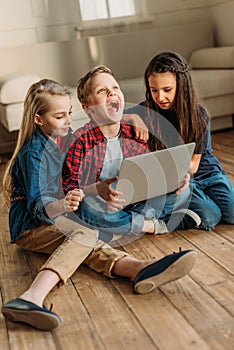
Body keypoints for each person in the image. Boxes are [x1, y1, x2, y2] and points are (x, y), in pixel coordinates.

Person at [1, 78, 197, 331]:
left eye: (69, 113)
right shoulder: (33, 153)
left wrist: (97, 189)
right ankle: (31, 297)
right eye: (60, 116)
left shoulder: (63, 139)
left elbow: (74, 183)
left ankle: (140, 269)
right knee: (85, 233)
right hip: (32, 227)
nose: (68, 121)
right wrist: (64, 204)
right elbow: (39, 207)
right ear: (39, 120)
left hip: (58, 219)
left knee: (88, 241)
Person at [62, 65, 201, 243]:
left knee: (184, 190)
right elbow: (70, 188)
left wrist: (175, 179)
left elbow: (150, 173)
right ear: (88, 108)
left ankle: (120, 226)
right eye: (102, 90)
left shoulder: (134, 133)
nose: (111, 94)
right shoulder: (80, 141)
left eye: (115, 88)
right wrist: (96, 192)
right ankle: (150, 225)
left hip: (135, 201)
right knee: (85, 210)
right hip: (104, 205)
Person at [126, 51, 234, 230]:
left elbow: (194, 166)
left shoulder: (199, 115)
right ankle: (161, 222)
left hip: (205, 172)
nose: (160, 97)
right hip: (181, 180)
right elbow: (109, 118)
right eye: (154, 90)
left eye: (167, 90)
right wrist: (133, 118)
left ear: (181, 85)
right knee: (210, 217)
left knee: (232, 214)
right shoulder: (146, 111)